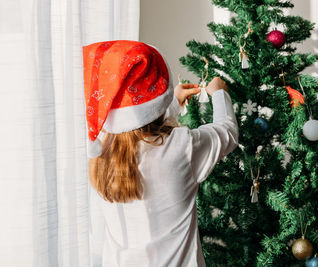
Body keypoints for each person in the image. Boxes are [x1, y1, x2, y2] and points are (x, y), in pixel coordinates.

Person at [82, 40, 239, 267]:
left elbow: (134, 128)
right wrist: (219, 94)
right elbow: (228, 132)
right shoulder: (181, 146)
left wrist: (172, 104)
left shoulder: (99, 150)